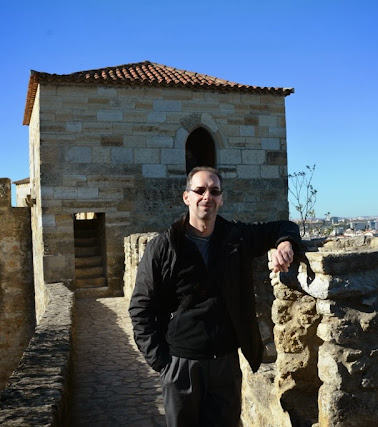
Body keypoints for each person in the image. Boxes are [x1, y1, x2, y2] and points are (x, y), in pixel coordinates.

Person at [129, 166, 301, 426]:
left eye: (214, 191)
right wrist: (162, 362)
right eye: (199, 190)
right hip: (181, 364)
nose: (206, 196)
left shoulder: (236, 238)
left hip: (225, 364)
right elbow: (140, 308)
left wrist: (285, 243)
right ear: (187, 197)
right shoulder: (163, 247)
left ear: (221, 199)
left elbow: (283, 226)